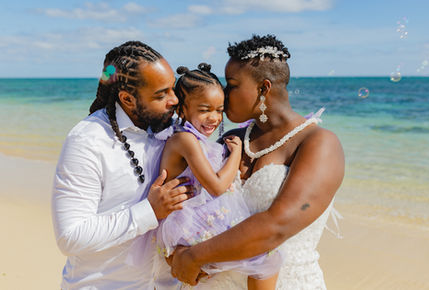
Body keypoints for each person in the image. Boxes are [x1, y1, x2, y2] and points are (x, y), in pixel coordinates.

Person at [169, 34, 345, 289]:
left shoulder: (319, 143)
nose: (223, 94)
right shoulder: (232, 139)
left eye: (231, 84)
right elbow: (197, 205)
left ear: (263, 88)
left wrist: (195, 256)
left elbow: (277, 225)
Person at [51, 41, 193, 289]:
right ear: (127, 98)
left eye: (173, 89)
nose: (174, 100)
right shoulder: (88, 141)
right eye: (161, 94)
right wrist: (149, 211)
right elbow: (70, 237)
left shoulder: (173, 129)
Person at [136, 63, 281, 290]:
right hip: (187, 229)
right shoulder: (185, 141)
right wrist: (236, 154)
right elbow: (216, 187)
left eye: (219, 110)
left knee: (257, 252)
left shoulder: (194, 140)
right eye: (204, 110)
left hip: (194, 224)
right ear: (181, 110)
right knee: (265, 253)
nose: (214, 118)